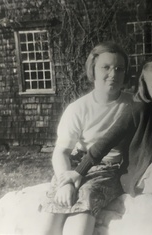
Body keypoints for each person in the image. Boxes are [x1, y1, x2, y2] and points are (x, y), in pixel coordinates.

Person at [57, 55, 152, 199]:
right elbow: (106, 141)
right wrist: (79, 171)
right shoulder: (138, 110)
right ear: (146, 88)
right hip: (141, 174)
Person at [40, 41, 133, 235]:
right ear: (93, 70)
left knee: (85, 201)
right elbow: (61, 152)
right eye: (105, 67)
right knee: (55, 209)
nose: (113, 74)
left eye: (119, 68)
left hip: (109, 169)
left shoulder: (132, 105)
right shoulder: (78, 108)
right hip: (76, 164)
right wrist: (64, 183)